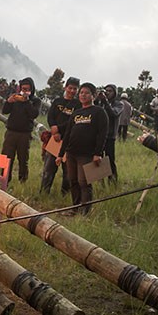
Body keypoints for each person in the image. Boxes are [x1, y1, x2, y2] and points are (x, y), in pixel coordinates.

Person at [56, 82, 108, 215]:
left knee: (83, 182)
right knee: (72, 180)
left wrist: (98, 153)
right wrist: (60, 154)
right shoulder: (76, 113)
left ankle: (85, 212)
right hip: (71, 152)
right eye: (81, 93)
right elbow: (67, 135)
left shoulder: (98, 112)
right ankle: (75, 208)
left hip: (87, 154)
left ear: (93, 95)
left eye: (86, 93)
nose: (83, 95)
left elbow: (102, 134)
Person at [40, 77, 80, 194]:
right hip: (55, 140)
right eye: (70, 88)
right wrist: (53, 128)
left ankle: (65, 193)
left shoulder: (77, 104)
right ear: (65, 87)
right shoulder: (57, 101)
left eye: (75, 89)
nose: (72, 91)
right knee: (49, 168)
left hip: (69, 140)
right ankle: (44, 192)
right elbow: (50, 116)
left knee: (68, 170)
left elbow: (73, 121)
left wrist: (59, 129)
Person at [1, 77, 40, 183]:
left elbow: (33, 114)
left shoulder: (35, 101)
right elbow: (5, 111)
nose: (24, 91)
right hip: (11, 132)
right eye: (23, 89)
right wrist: (8, 102)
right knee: (7, 158)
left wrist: (27, 101)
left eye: (27, 89)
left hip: (25, 134)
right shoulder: (15, 97)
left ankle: (22, 180)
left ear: (31, 89)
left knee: (23, 159)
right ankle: (5, 179)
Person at [97, 84, 120, 183]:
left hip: (110, 136)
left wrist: (105, 102)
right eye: (106, 91)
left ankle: (113, 181)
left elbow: (113, 113)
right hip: (99, 136)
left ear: (115, 93)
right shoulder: (100, 103)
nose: (107, 93)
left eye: (110, 91)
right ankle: (100, 182)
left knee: (110, 160)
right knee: (99, 160)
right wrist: (96, 99)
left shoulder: (119, 104)